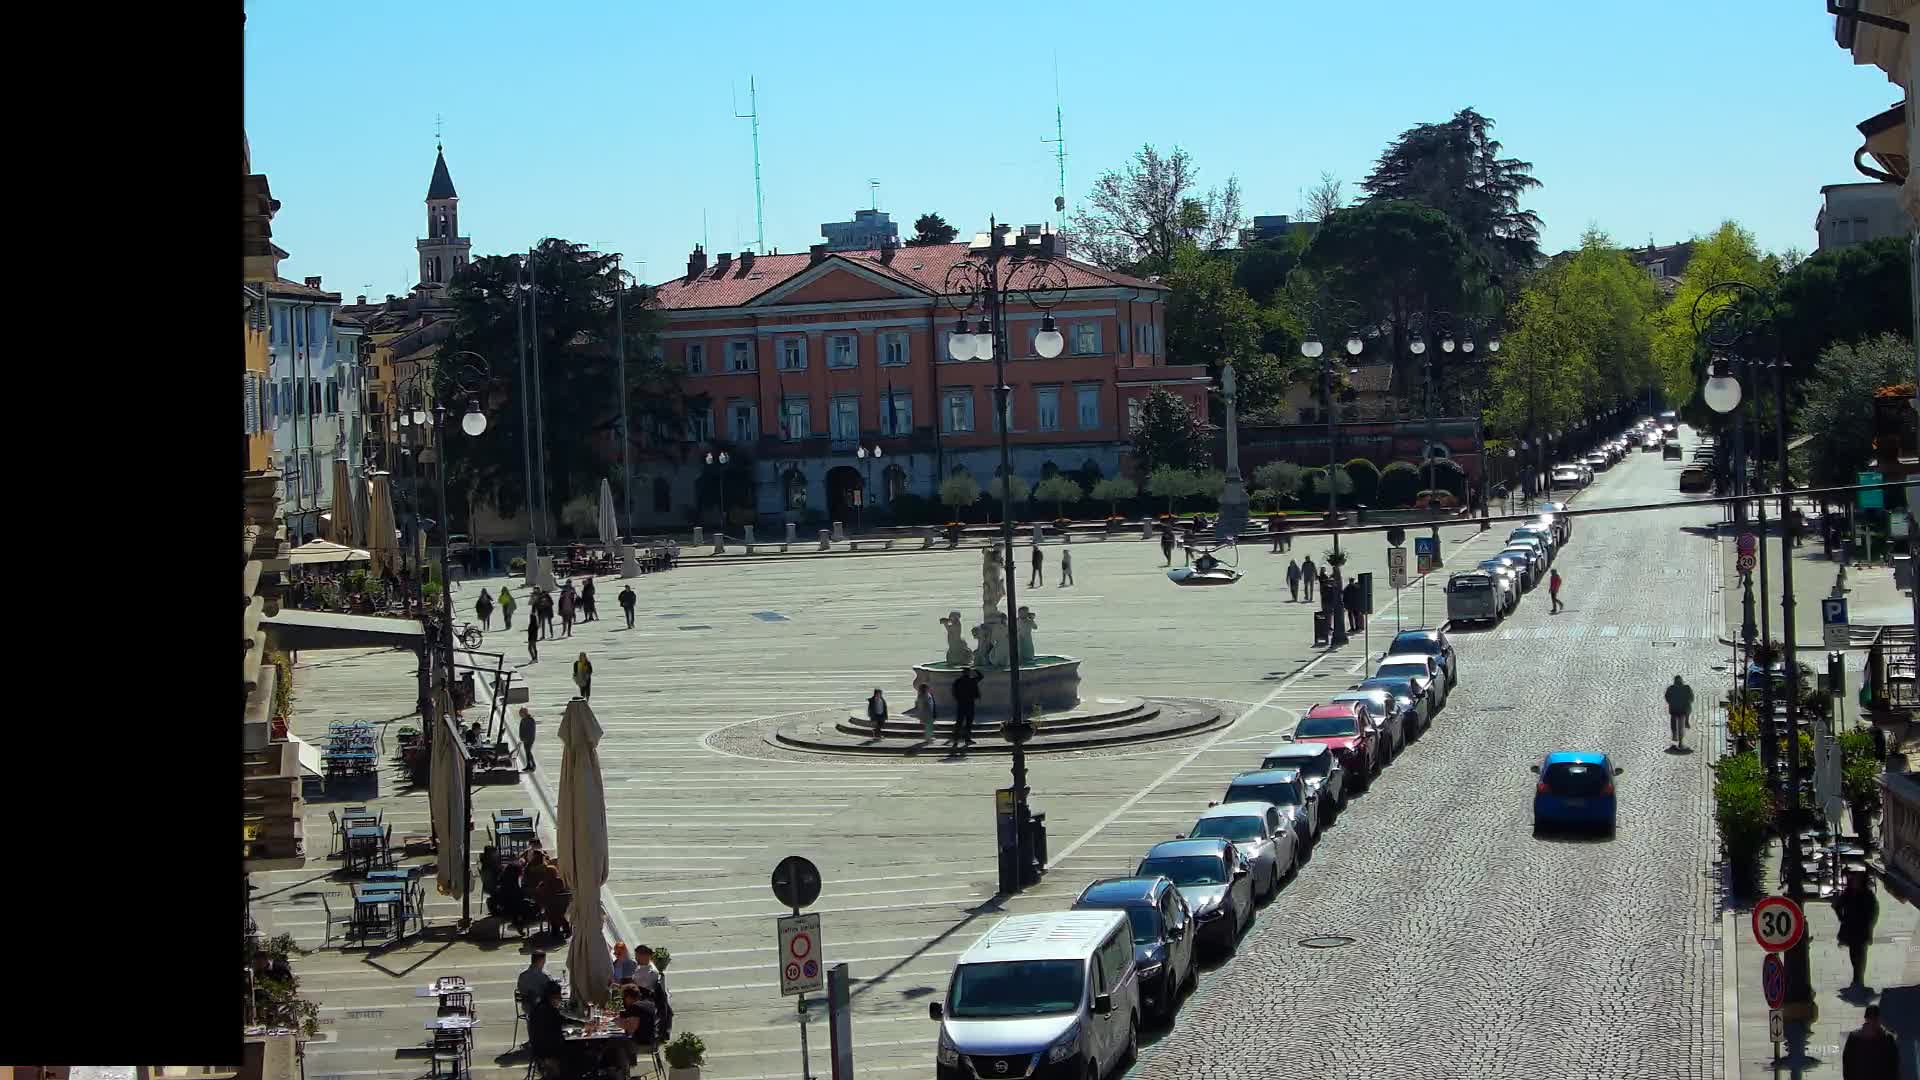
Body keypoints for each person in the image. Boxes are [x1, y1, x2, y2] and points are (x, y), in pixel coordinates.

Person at [1834, 869, 1881, 991]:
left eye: (1857, 880)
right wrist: (1842, 917)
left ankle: (1857, 980)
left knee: (1860, 953)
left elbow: (1873, 912)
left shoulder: (1867, 895)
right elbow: (1837, 905)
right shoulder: (1848, 893)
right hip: (1851, 928)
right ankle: (1857, 980)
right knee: (1854, 953)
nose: (1855, 882)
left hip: (1861, 928)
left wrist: (1869, 925)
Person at [1842, 1003, 1899, 1079]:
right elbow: (1848, 1064)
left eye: (1875, 1019)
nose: (1873, 1021)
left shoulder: (1888, 1038)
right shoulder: (1854, 1037)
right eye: (1871, 1018)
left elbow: (1893, 1066)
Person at [952, 667, 982, 747]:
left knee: (959, 722)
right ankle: (967, 739)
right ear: (968, 673)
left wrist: (958, 699)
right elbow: (981, 676)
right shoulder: (972, 680)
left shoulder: (958, 681)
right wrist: (975, 670)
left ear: (962, 673)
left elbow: (954, 692)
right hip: (970, 703)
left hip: (961, 704)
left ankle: (956, 740)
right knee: (969, 722)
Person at [1664, 676, 1695, 750]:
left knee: (1673, 721)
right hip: (1683, 710)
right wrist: (1688, 702)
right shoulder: (1686, 688)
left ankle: (1674, 734)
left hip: (1674, 709)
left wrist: (1671, 702)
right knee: (1681, 726)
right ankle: (1681, 741)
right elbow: (1691, 698)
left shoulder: (1671, 688)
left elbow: (1667, 697)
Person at [519, 706, 539, 771]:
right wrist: (521, 737)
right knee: (527, 752)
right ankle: (528, 765)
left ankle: (533, 765)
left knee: (528, 751)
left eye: (521, 713)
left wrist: (527, 738)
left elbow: (531, 731)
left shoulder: (530, 720)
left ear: (525, 713)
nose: (520, 715)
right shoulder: (523, 720)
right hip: (524, 738)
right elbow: (521, 729)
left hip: (530, 739)